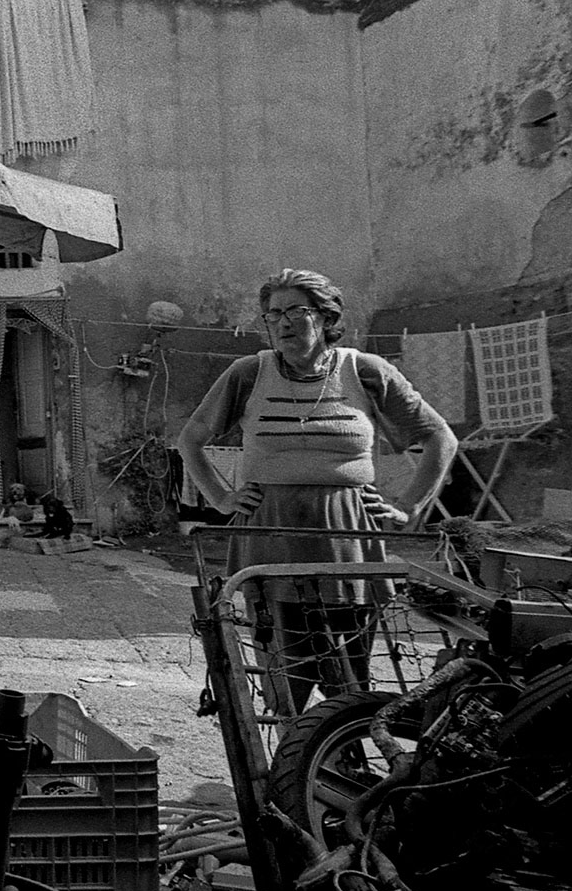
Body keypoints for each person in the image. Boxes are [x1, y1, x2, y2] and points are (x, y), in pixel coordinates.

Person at [178, 268, 457, 715]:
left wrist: (407, 507)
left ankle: (344, 758)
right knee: (282, 667)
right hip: (270, 532)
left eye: (296, 311)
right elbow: (190, 438)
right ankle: (289, 761)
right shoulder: (248, 373)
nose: (283, 323)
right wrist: (221, 498)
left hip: (347, 533)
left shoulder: (364, 371)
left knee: (348, 667)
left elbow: (441, 438)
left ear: (326, 318)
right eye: (273, 315)